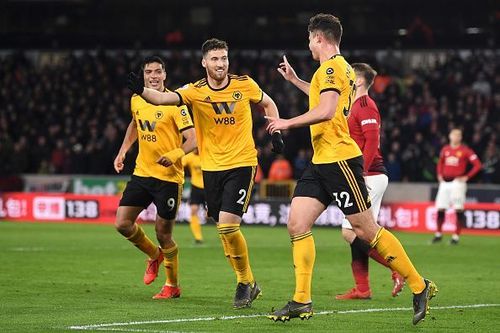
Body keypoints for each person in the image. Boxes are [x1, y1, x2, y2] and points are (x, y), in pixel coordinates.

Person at [266, 13, 436, 324]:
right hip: (321, 162)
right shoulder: (334, 70)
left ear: (319, 38)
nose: (308, 45)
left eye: (309, 39)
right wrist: (294, 81)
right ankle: (301, 300)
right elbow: (324, 98)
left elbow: (327, 109)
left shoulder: (331, 68)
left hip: (340, 160)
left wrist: (287, 122)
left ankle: (419, 284)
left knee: (365, 230)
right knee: (297, 224)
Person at [127, 38, 284, 309]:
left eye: (223, 58)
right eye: (214, 59)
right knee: (221, 228)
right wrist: (142, 91)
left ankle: (246, 282)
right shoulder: (194, 91)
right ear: (204, 62)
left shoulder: (244, 84)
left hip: (242, 162)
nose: (220, 63)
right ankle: (246, 281)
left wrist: (276, 130)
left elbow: (268, 104)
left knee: (227, 225)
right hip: (211, 167)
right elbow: (164, 98)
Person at [114, 56, 197, 300]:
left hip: (169, 179)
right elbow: (134, 125)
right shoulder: (137, 99)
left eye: (158, 71)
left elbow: (193, 139)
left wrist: (175, 154)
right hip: (142, 173)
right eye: (149, 71)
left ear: (164, 75)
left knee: (164, 234)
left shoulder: (176, 104)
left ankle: (172, 286)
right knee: (122, 224)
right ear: (144, 76)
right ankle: (154, 255)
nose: (153, 75)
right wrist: (122, 151)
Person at [432, 128, 482, 244]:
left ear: (461, 137)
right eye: (454, 135)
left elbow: (478, 165)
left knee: (458, 208)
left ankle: (456, 236)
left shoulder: (465, 150)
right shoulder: (445, 149)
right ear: (450, 136)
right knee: (440, 208)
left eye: (458, 135)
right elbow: (440, 163)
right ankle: (438, 234)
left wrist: (467, 177)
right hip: (444, 182)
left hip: (457, 183)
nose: (456, 137)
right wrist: (439, 175)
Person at [183, 149, 205, 243]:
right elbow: (179, 164)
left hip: (209, 188)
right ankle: (198, 237)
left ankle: (225, 235)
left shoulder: (206, 155)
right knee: (193, 210)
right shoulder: (189, 157)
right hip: (195, 187)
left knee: (213, 214)